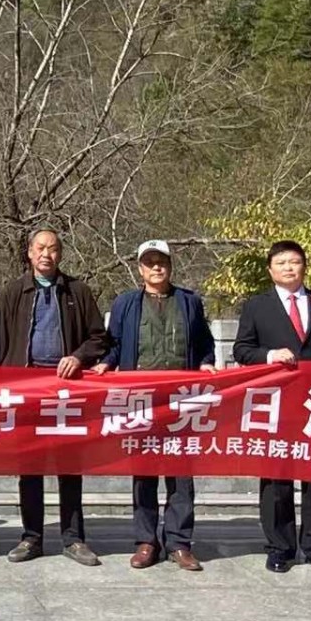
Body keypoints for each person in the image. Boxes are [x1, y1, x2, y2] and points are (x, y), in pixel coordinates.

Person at [96, 240, 217, 572]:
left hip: (182, 399)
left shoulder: (190, 302)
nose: (156, 267)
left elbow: (204, 343)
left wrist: (207, 363)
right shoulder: (126, 303)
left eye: (161, 261)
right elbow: (115, 343)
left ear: (170, 266)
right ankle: (146, 540)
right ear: (140, 269)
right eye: (149, 262)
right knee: (144, 471)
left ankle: (179, 542)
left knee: (181, 474)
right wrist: (106, 364)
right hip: (142, 399)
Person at [232, 240, 311, 575]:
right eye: (281, 262)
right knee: (276, 479)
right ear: (270, 269)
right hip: (277, 404)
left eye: (295, 261)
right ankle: (280, 548)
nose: (289, 267)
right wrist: (270, 355)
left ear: (305, 266)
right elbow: (243, 350)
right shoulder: (257, 306)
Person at [0, 228, 109, 565]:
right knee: (29, 467)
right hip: (27, 390)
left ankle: (73, 538)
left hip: (66, 390)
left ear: (61, 254)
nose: (47, 254)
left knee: (69, 466)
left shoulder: (77, 290)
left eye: (54, 248)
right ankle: (31, 536)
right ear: (29, 253)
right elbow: (0, 342)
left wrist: (78, 356)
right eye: (40, 248)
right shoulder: (14, 292)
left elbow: (99, 338)